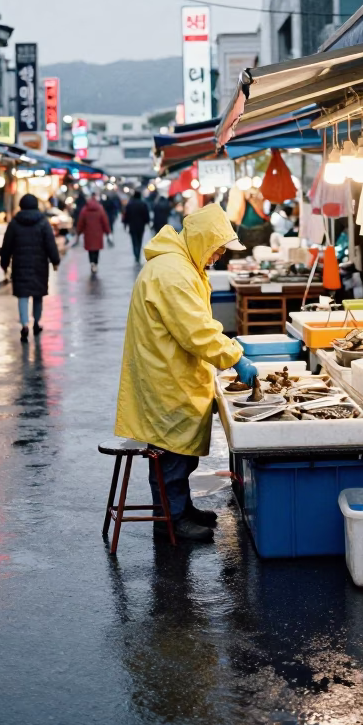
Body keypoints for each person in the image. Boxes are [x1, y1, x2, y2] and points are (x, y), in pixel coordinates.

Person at [115, 203, 258, 543]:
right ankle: (171, 519)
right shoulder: (172, 272)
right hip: (166, 377)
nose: (218, 257)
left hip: (172, 371)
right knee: (171, 456)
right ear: (203, 240)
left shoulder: (180, 265)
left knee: (181, 454)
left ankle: (181, 508)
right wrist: (234, 357)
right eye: (217, 249)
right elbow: (196, 330)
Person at [0, 194, 60, 341]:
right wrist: (55, 261)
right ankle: (37, 322)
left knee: (23, 296)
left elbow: (6, 245)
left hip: (20, 265)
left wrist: (4, 263)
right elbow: (50, 244)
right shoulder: (43, 222)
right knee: (38, 295)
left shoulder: (14, 223)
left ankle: (24, 325)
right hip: (39, 265)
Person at [74, 192, 111, 275]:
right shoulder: (100, 209)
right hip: (98, 233)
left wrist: (78, 232)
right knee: (96, 250)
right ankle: (95, 263)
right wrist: (108, 232)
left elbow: (81, 222)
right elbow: (105, 221)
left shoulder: (85, 209)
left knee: (90, 250)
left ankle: (92, 263)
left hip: (88, 233)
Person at [122, 190, 151, 264]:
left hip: (132, 226)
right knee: (139, 240)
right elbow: (146, 215)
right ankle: (138, 254)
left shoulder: (130, 204)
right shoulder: (143, 204)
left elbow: (126, 215)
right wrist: (147, 223)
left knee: (134, 241)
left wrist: (125, 224)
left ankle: (136, 254)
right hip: (141, 226)